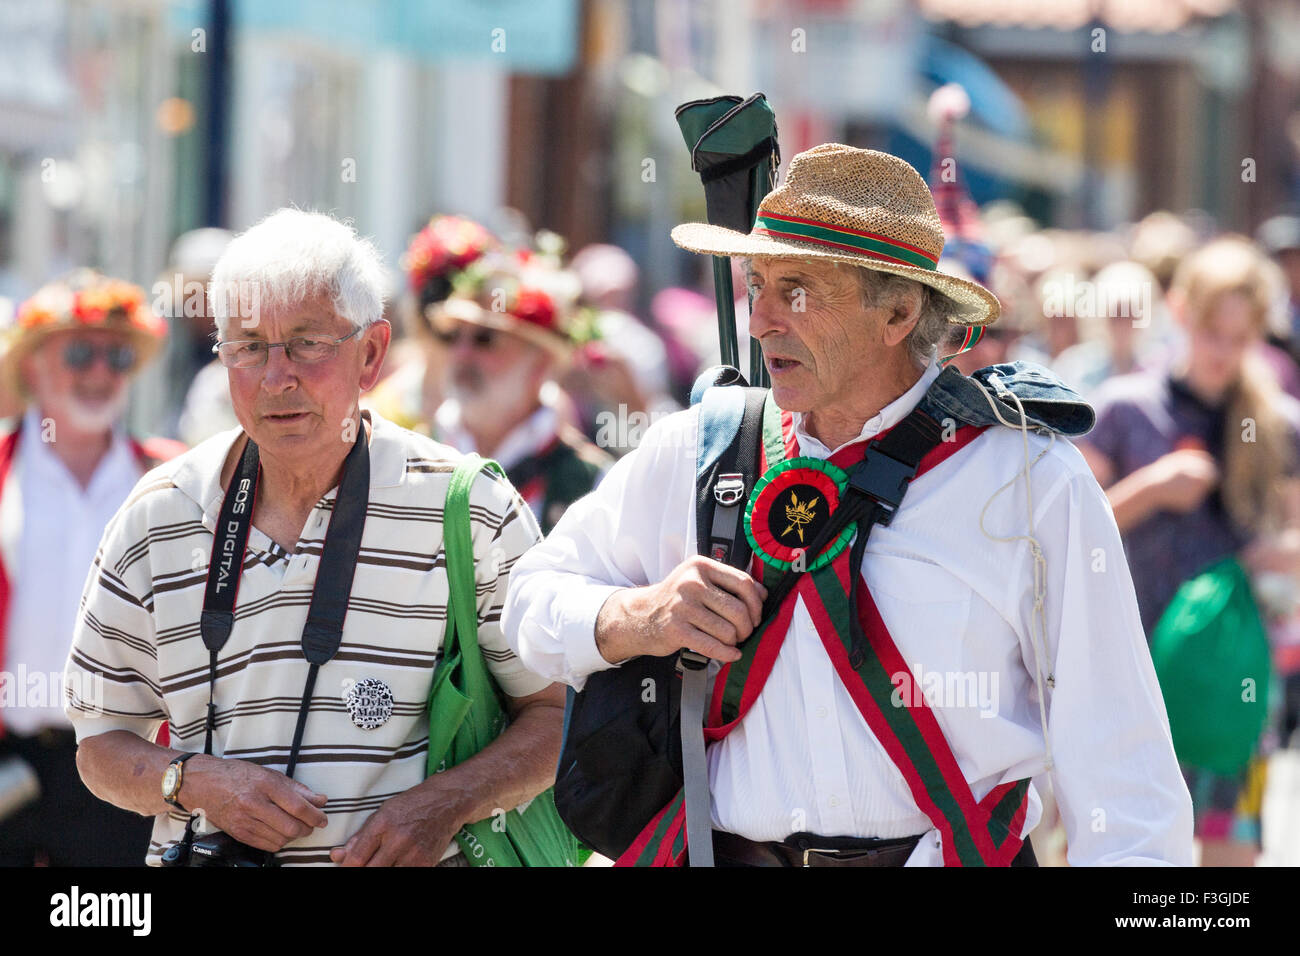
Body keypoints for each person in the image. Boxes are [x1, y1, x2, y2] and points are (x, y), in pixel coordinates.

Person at [503, 144, 1194, 866]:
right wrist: (637, 618)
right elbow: (531, 600)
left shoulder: (1030, 480)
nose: (762, 318)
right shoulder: (699, 451)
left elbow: (1121, 765)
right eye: (756, 283)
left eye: (796, 289)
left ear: (897, 311)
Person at [64, 209, 565, 866]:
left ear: (372, 353)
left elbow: (558, 715)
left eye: (307, 343)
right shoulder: (159, 514)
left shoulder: (466, 508)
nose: (277, 378)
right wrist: (195, 784)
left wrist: (447, 803)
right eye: (247, 346)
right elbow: (100, 742)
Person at [1077, 235, 1300, 866]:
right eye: (1211, 332)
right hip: (1130, 671)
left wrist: (1270, 555)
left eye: (1239, 337)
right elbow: (1073, 539)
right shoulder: (1126, 409)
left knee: (1228, 864)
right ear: (1180, 313)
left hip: (1233, 676)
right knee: (1122, 851)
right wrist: (1150, 491)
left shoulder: (1277, 423)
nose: (1222, 354)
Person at [0, 269, 181, 865]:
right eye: (80, 353)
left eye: (117, 357)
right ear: (33, 369)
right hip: (12, 762)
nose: (101, 372)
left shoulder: (170, 480)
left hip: (129, 766)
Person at [429, 251, 611, 534]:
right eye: (454, 336)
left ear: (540, 363)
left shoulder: (593, 482)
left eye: (485, 338)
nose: (461, 353)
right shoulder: (412, 452)